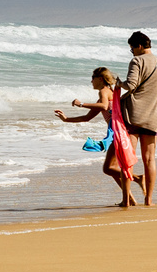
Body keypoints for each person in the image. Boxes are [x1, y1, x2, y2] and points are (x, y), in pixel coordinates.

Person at [54, 67, 139, 208]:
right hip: (119, 132)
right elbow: (87, 118)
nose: (91, 81)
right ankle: (129, 199)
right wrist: (66, 119)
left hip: (118, 132)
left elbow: (104, 106)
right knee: (111, 169)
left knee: (108, 168)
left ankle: (137, 179)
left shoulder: (104, 91)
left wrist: (81, 104)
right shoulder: (106, 93)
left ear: (100, 79)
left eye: (92, 78)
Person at [118, 30, 157, 205]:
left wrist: (118, 83)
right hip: (153, 115)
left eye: (132, 48)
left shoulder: (137, 60)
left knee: (129, 158)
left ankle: (126, 200)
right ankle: (148, 199)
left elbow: (131, 85)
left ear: (139, 46)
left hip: (134, 114)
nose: (132, 52)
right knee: (149, 158)